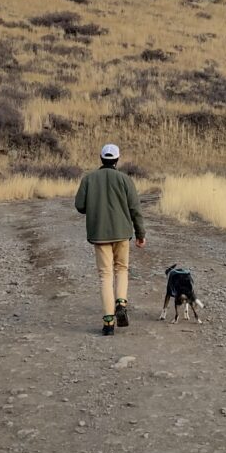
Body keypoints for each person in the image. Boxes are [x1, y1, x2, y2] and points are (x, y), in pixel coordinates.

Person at [74, 143, 147, 335]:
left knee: (105, 276)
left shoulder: (89, 179)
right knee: (121, 269)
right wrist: (140, 234)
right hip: (122, 233)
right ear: (117, 159)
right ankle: (121, 302)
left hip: (99, 234)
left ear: (101, 158)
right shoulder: (125, 179)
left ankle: (108, 323)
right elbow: (135, 209)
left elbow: (79, 206)